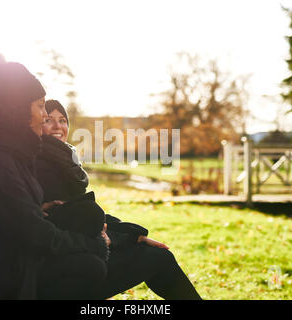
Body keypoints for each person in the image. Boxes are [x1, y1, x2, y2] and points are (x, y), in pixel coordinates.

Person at [0, 53, 109, 299]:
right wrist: (94, 245)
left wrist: (39, 207)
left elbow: (5, 212)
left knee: (89, 214)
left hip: (2, 254)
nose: (45, 115)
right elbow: (35, 234)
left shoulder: (5, 147)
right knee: (91, 267)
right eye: (40, 106)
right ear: (17, 110)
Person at [36, 99, 202, 300]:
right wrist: (126, 237)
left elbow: (85, 213)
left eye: (62, 120)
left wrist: (133, 235)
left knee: (157, 255)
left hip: (83, 255)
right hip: (69, 270)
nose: (58, 126)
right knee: (158, 258)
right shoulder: (41, 164)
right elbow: (74, 221)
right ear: (35, 124)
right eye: (48, 120)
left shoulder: (64, 162)